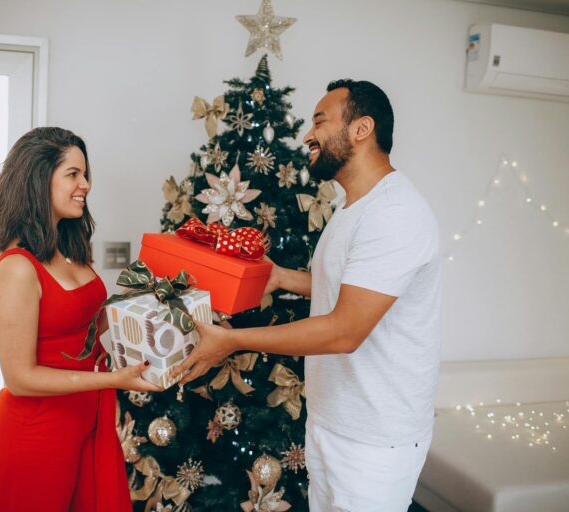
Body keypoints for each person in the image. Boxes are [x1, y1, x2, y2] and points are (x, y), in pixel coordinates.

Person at [174, 80, 442, 511]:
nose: (307, 135)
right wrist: (282, 278)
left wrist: (233, 341)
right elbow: (351, 287)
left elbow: (344, 331)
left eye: (320, 121)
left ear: (362, 128)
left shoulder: (395, 213)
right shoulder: (351, 207)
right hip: (332, 421)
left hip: (374, 438)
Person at [0, 127, 160, 511]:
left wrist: (154, 305)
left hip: (87, 419)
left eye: (85, 174)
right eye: (73, 174)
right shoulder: (17, 267)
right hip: (38, 430)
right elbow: (19, 378)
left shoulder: (67, 247)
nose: (86, 184)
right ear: (38, 179)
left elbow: (86, 325)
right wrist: (113, 380)